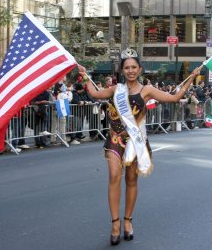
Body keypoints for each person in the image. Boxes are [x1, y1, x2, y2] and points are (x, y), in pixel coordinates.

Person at [78, 48, 200, 246]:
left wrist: (191, 78)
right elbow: (94, 93)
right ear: (122, 70)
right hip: (116, 139)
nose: (131, 70)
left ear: (140, 69)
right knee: (114, 176)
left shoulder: (147, 90)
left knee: (132, 180)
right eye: (127, 67)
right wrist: (84, 76)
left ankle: (127, 221)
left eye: (134, 67)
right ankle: (115, 223)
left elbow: (174, 98)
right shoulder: (115, 90)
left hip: (136, 141)